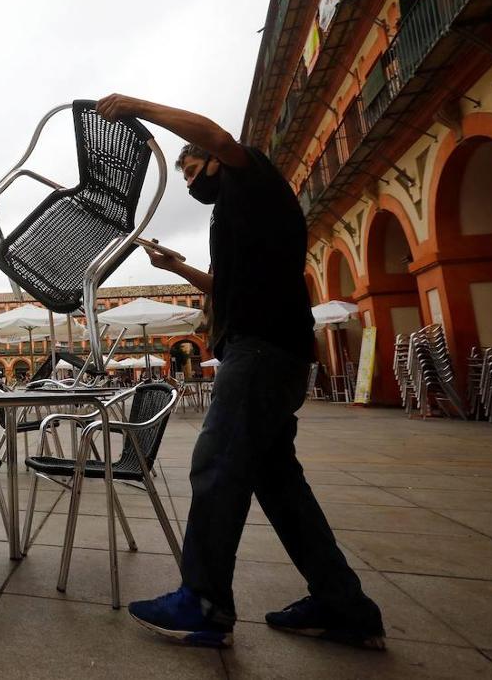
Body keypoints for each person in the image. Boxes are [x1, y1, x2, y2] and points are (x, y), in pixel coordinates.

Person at [96, 93, 384, 651]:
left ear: (209, 158)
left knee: (216, 467)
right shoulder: (238, 213)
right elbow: (225, 290)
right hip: (271, 351)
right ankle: (343, 603)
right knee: (280, 486)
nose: (188, 183)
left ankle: (202, 602)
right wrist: (178, 268)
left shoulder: (248, 175)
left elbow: (220, 137)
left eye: (190, 169)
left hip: (259, 353)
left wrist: (136, 106)